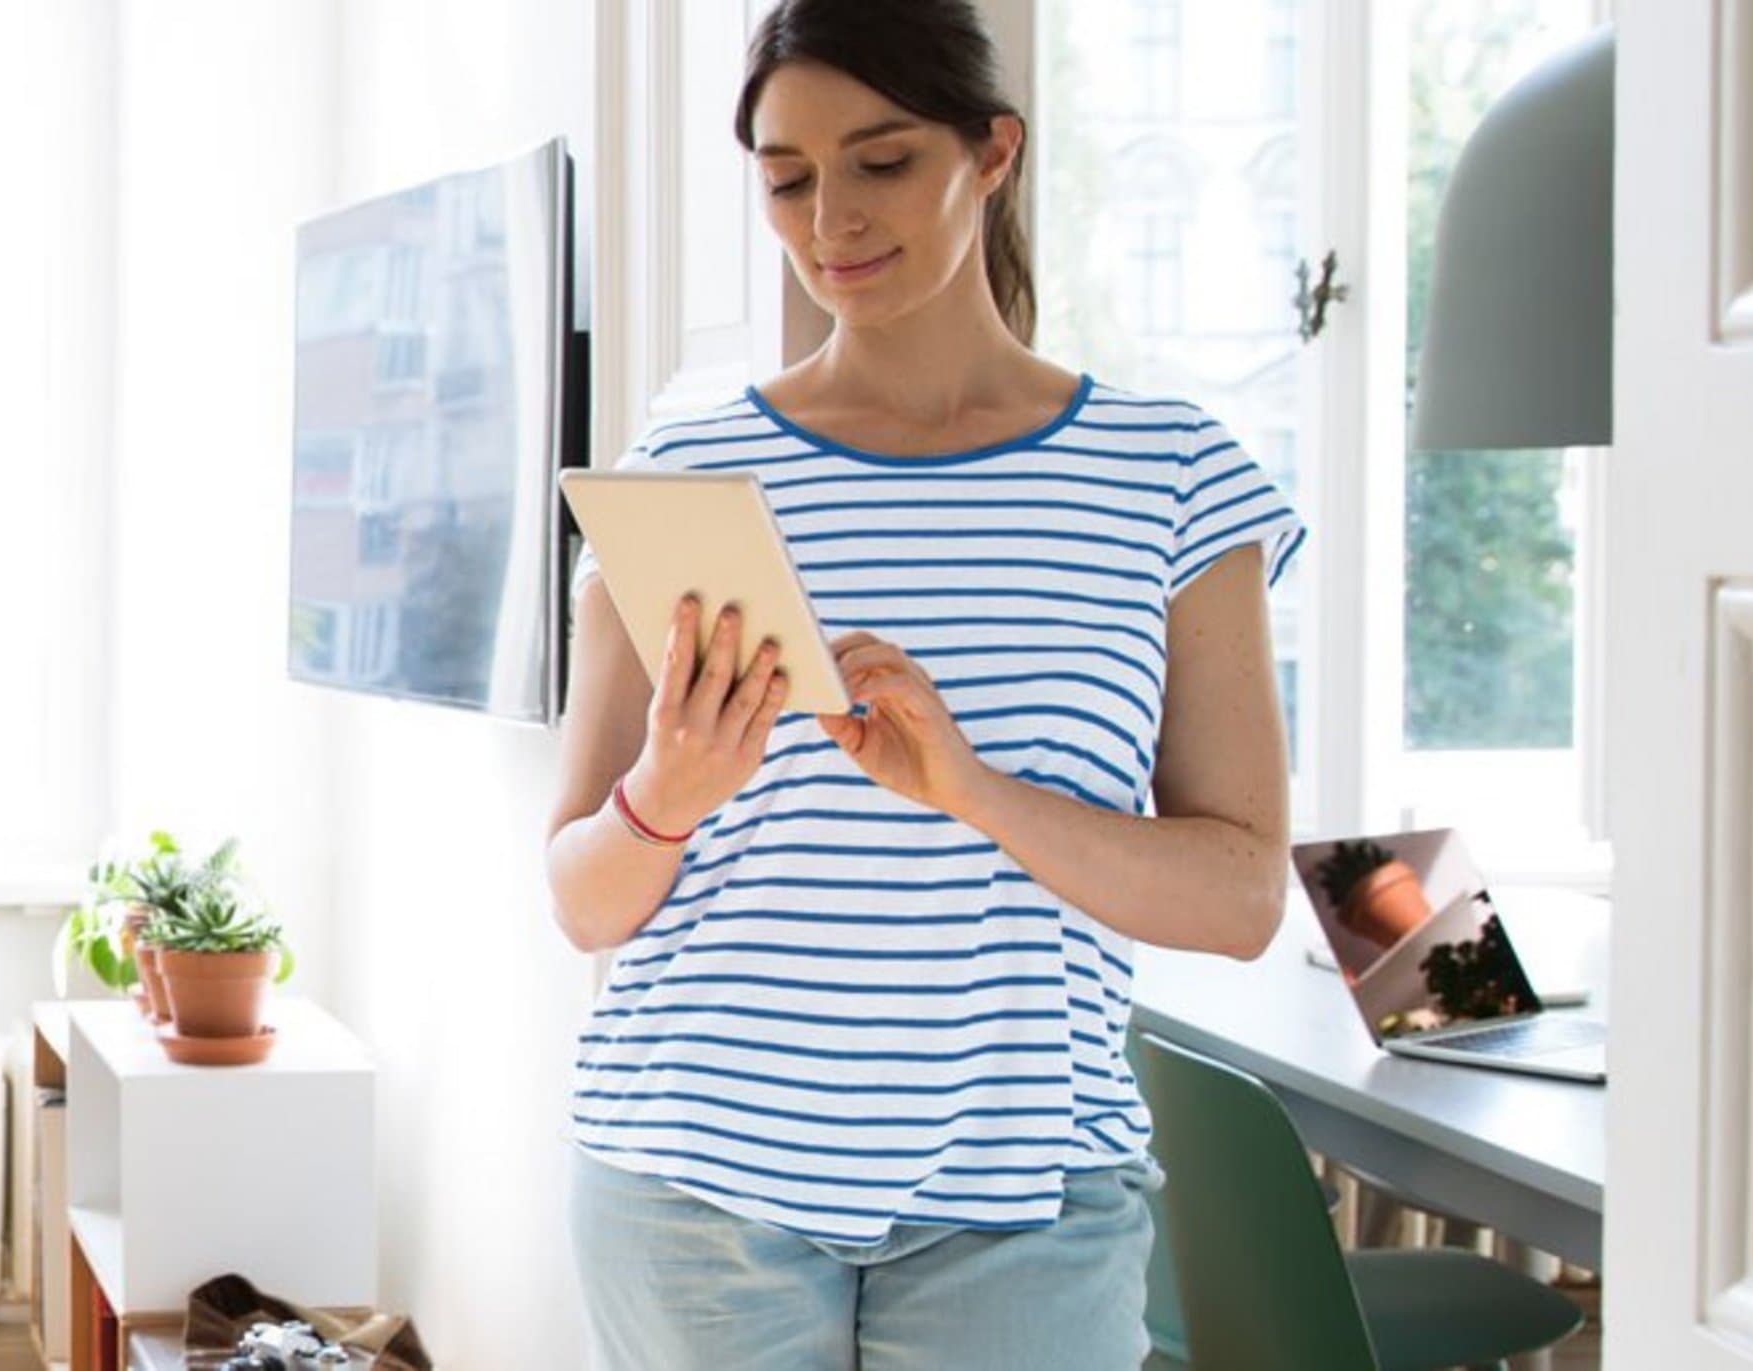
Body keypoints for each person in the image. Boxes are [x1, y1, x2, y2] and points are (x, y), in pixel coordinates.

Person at [542, 1, 1307, 1366]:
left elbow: (1243, 898)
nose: (830, 216)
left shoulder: (1170, 478)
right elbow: (581, 900)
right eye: (787, 178)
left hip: (1029, 1206)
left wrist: (971, 790)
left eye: (881, 161)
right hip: (693, 1186)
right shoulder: (683, 465)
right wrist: (669, 792)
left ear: (991, 154)